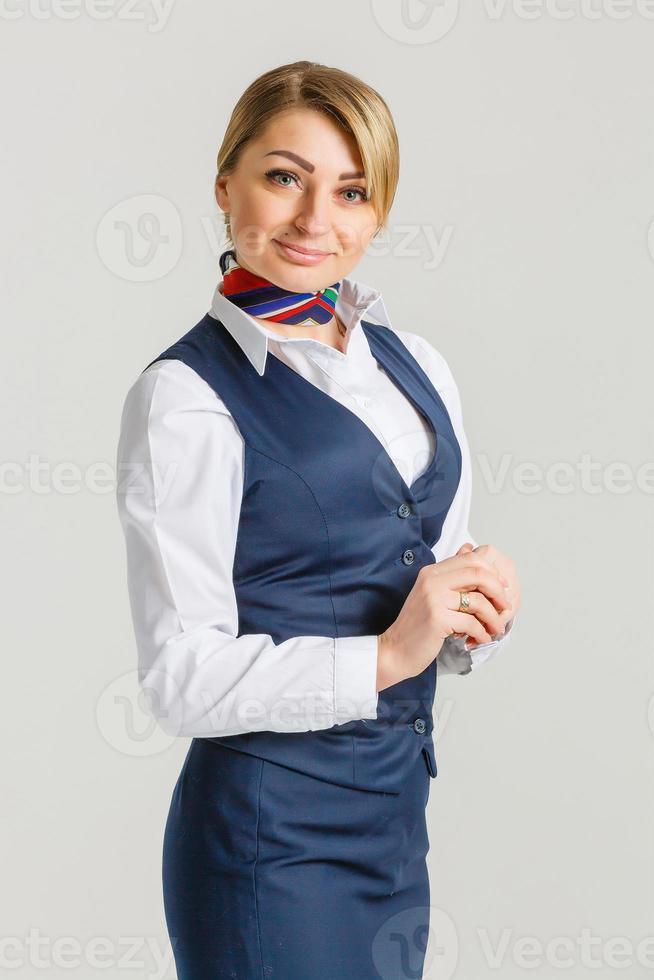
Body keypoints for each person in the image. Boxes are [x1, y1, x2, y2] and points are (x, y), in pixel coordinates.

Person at [116, 60, 521, 980]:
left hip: (392, 828)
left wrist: (477, 610)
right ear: (225, 185)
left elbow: (430, 589)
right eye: (284, 177)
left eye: (351, 191)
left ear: (378, 213)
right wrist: (384, 656)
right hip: (267, 846)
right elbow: (180, 678)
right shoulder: (185, 398)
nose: (315, 221)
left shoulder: (412, 364)